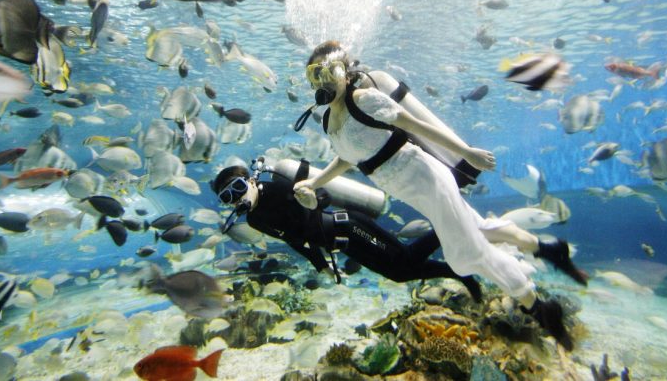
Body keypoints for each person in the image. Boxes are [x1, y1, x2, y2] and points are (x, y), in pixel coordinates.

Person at [293, 40, 587, 351]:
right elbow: (349, 157)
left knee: (464, 256)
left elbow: (414, 124)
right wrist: (315, 183)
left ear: (345, 72)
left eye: (328, 72)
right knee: (480, 230)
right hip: (407, 189)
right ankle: (550, 249)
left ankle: (540, 308)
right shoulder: (329, 121)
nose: (322, 82)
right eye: (314, 76)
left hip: (426, 178)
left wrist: (465, 152)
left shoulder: (364, 99)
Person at [210, 159, 484, 302]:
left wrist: (314, 201)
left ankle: (455, 224)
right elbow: (296, 241)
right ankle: (459, 271)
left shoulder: (277, 188)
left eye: (237, 189)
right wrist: (321, 267)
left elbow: (324, 197)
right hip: (342, 245)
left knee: (406, 259)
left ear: (248, 180)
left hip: (349, 227)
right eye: (228, 198)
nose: (236, 199)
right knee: (400, 274)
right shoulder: (256, 220)